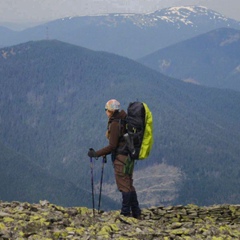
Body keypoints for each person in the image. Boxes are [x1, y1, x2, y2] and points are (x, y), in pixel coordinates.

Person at [88, 99, 141, 219]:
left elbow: (113, 146)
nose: (105, 111)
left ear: (111, 111)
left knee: (124, 185)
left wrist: (96, 154)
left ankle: (125, 213)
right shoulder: (124, 119)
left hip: (121, 158)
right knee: (128, 183)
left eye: (106, 109)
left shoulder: (116, 124)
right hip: (129, 157)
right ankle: (136, 212)